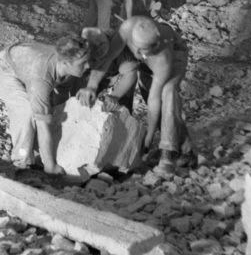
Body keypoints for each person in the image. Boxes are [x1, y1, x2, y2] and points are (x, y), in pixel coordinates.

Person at [77, 16, 195, 176]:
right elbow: (109, 57)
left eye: (143, 50)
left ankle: (168, 153)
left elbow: (154, 100)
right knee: (148, 95)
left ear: (154, 46)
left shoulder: (163, 59)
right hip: (147, 62)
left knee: (167, 93)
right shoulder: (127, 28)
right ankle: (186, 150)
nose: (139, 53)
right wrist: (91, 86)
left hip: (175, 56)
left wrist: (149, 136)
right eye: (137, 49)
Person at [0, 29, 109, 174]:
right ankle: (21, 161)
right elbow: (43, 123)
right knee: (26, 110)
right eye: (83, 63)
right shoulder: (41, 79)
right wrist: (50, 165)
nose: (88, 66)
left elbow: (61, 96)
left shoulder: (66, 67)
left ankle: (39, 148)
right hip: (3, 67)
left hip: (26, 60)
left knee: (47, 108)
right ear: (65, 62)